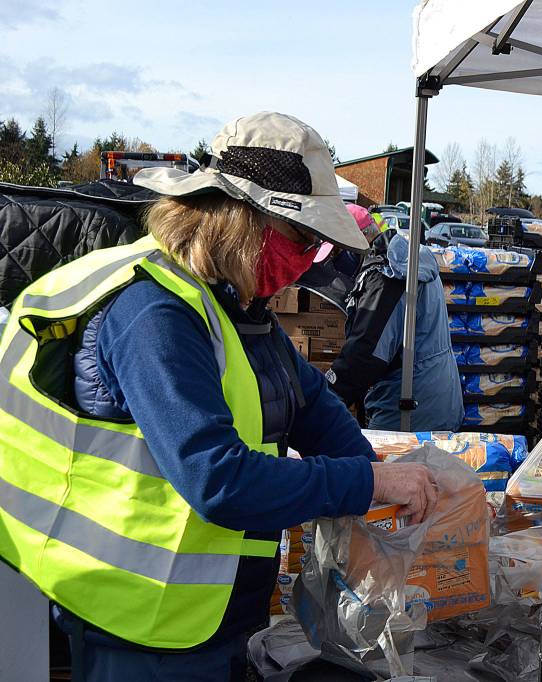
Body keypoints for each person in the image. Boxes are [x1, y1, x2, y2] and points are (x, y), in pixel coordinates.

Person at [0, 112, 438, 681]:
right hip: (139, 618)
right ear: (241, 219)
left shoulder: (233, 303)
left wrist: (369, 474)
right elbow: (218, 479)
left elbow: (308, 403)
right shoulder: (154, 312)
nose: (308, 261)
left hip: (206, 614)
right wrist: (370, 483)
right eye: (302, 238)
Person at [325, 206, 464, 431]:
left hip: (407, 408)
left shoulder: (386, 276)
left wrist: (327, 392)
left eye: (336, 254)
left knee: (388, 464)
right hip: (434, 395)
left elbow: (365, 353)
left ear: (356, 241)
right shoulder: (407, 260)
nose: (334, 264)